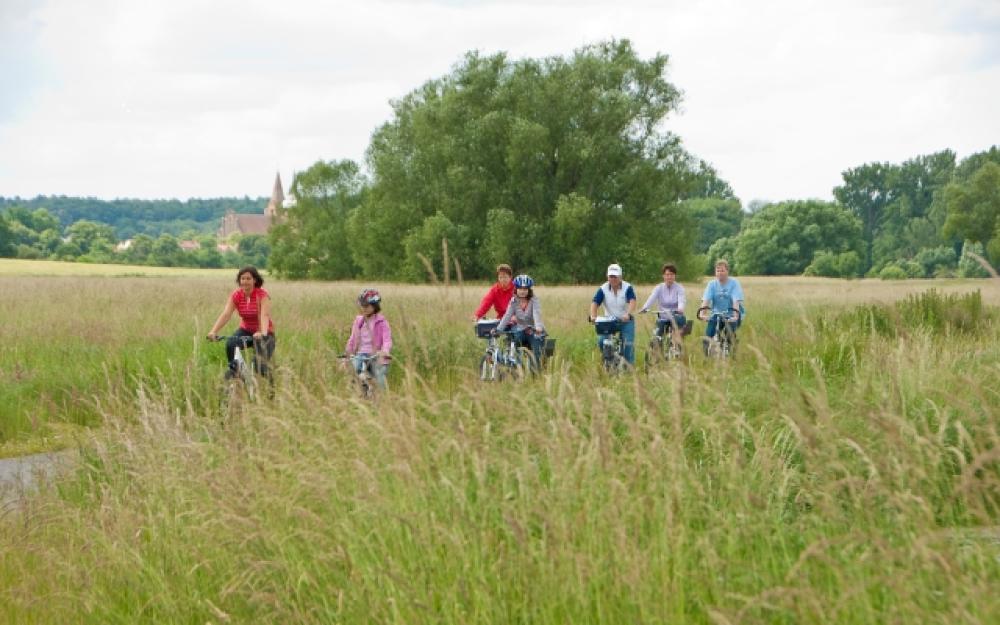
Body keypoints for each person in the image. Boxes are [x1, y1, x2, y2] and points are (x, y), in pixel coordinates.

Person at [207, 266, 276, 380]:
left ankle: (271, 389)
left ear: (255, 280)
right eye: (242, 278)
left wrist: (262, 333)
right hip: (246, 330)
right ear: (239, 280)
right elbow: (226, 314)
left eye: (248, 278)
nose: (245, 281)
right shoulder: (237, 295)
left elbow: (265, 316)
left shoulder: (262, 295)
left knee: (259, 366)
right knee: (230, 344)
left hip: (265, 332)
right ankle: (236, 373)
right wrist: (213, 331)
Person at [589, 263, 637, 366]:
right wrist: (593, 316)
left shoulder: (627, 287)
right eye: (611, 276)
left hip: (625, 321)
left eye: (615, 276)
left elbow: (632, 301)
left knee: (628, 344)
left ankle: (629, 369)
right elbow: (595, 303)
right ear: (607, 277)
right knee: (602, 341)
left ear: (620, 277)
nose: (613, 279)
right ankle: (609, 360)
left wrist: (628, 314)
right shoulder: (603, 288)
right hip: (609, 322)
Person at [345, 288, 393, 390]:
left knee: (379, 375)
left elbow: (387, 339)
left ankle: (382, 398)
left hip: (376, 354)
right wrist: (348, 353)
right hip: (360, 354)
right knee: (353, 370)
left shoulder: (382, 322)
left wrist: (385, 351)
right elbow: (352, 338)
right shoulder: (359, 321)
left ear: (375, 306)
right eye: (362, 306)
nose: (364, 308)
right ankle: (355, 394)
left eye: (367, 306)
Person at [497, 274, 546, 370]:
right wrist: (498, 329)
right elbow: (507, 316)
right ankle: (516, 367)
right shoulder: (513, 301)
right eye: (520, 289)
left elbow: (537, 314)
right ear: (516, 289)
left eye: (525, 289)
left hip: (534, 330)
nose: (522, 291)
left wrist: (538, 327)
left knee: (537, 351)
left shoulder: (534, 300)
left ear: (529, 290)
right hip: (520, 330)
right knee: (513, 342)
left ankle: (535, 374)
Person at [640, 263, 687, 350]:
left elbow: (681, 300)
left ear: (675, 276)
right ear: (663, 276)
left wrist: (680, 308)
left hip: (675, 316)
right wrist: (645, 308)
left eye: (672, 275)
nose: (669, 277)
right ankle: (657, 353)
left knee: (677, 333)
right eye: (667, 275)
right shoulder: (659, 288)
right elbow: (652, 298)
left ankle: (676, 349)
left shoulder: (679, 288)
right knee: (656, 336)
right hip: (663, 317)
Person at [698, 258, 745, 341]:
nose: (720, 273)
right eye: (718, 271)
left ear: (727, 271)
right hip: (717, 314)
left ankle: (731, 350)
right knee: (708, 335)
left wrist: (735, 316)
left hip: (732, 314)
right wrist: (702, 314)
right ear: (715, 272)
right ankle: (708, 352)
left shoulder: (734, 283)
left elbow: (736, 301)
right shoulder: (712, 284)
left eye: (722, 270)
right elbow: (706, 300)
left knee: (729, 335)